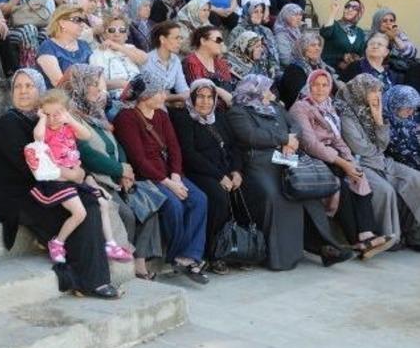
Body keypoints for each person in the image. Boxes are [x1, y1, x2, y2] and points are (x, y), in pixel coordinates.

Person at [0, 68, 119, 298]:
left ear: (40, 91)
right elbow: (32, 167)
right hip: (20, 193)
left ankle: (92, 275)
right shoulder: (8, 123)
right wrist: (74, 175)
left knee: (91, 200)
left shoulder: (51, 119)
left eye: (29, 86)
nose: (23, 91)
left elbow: (71, 151)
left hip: (50, 185)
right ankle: (88, 281)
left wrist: (85, 176)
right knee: (83, 208)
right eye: (18, 86)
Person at [227, 74, 353, 270]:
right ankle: (280, 258)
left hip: (285, 158)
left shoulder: (275, 107)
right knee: (275, 197)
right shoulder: (238, 111)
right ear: (255, 90)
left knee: (307, 192)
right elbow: (250, 135)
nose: (271, 92)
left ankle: (327, 247)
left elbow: (294, 124)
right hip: (259, 163)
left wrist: (291, 140)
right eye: (267, 88)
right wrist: (283, 138)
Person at [63, 66, 164, 279]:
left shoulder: (97, 113)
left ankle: (139, 262)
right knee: (126, 213)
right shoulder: (71, 117)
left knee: (149, 208)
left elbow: (116, 146)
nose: (99, 90)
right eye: (93, 84)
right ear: (80, 86)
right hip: (94, 180)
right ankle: (120, 264)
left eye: (100, 84)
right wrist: (119, 169)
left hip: (116, 178)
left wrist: (125, 171)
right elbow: (86, 154)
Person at [289, 69, 396, 258]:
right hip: (313, 158)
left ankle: (366, 233)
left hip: (334, 155)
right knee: (342, 186)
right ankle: (358, 240)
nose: (320, 89)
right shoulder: (301, 107)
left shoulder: (329, 106)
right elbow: (311, 144)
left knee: (359, 176)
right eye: (316, 85)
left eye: (325, 85)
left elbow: (337, 139)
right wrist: (343, 164)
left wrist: (350, 160)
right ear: (309, 85)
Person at [115, 72, 209, 284]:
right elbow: (139, 160)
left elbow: (174, 148)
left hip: (170, 174)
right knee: (173, 204)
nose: (164, 95)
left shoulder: (161, 115)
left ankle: (188, 255)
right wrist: (168, 183)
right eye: (159, 91)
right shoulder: (127, 118)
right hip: (147, 177)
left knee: (199, 199)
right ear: (146, 95)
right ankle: (178, 255)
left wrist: (175, 175)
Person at [31, 89, 131, 263]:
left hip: (74, 179)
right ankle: (57, 242)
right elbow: (38, 137)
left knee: (103, 203)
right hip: (56, 182)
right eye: (48, 114)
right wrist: (42, 118)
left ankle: (111, 244)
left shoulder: (68, 127)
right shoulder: (45, 130)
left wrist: (69, 119)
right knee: (79, 213)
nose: (53, 119)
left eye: (57, 114)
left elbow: (86, 135)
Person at [335, 74, 420, 246]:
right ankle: (391, 238)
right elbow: (359, 148)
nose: (377, 95)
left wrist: (378, 119)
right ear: (361, 91)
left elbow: (383, 143)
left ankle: (414, 232)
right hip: (361, 162)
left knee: (415, 178)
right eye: (372, 91)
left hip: (380, 160)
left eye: (378, 91)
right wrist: (378, 147)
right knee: (386, 190)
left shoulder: (372, 110)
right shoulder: (346, 113)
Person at [170, 79, 243, 274]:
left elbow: (234, 146)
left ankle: (237, 249)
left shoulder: (219, 116)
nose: (205, 102)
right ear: (192, 98)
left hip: (224, 170)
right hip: (200, 172)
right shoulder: (184, 118)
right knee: (218, 198)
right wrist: (220, 176)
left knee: (248, 191)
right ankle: (212, 253)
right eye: (200, 97)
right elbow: (190, 154)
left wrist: (236, 171)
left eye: (210, 97)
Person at [90, 15, 147, 100]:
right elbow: (96, 83)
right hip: (117, 99)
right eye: (112, 30)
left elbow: (143, 59)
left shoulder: (130, 48)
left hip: (140, 95)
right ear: (104, 35)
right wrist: (123, 84)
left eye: (122, 30)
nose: (117, 34)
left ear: (126, 35)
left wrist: (119, 47)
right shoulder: (97, 54)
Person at [37, 5, 92, 88]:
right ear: (61, 23)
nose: (82, 24)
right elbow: (59, 83)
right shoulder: (48, 46)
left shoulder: (84, 45)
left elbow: (96, 74)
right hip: (60, 98)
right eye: (77, 20)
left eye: (83, 20)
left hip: (87, 94)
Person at [279, 33, 339, 109]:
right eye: (313, 45)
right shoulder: (294, 69)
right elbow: (301, 97)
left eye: (319, 45)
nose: (318, 48)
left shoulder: (321, 66)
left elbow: (334, 89)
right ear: (303, 48)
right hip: (304, 110)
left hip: (325, 105)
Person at [182, 26, 234, 107]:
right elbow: (199, 89)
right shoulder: (191, 61)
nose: (222, 44)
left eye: (222, 41)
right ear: (203, 41)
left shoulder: (222, 63)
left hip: (224, 109)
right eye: (218, 40)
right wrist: (219, 91)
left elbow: (229, 91)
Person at [142, 21, 191, 105]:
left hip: (170, 105)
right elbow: (147, 94)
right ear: (162, 39)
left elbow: (183, 88)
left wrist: (180, 96)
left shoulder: (176, 60)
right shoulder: (146, 60)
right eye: (176, 38)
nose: (180, 42)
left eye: (180, 38)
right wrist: (177, 97)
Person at [370, 8, 419, 85]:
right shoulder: (370, 36)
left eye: (391, 20)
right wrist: (386, 38)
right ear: (377, 22)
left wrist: (395, 38)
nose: (388, 23)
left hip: (403, 69)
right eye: (384, 21)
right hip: (384, 71)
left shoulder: (399, 35)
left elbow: (412, 53)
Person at [321, 0, 366, 75]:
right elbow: (325, 32)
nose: (350, 9)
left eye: (354, 8)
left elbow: (361, 54)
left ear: (359, 13)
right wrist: (333, 12)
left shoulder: (360, 32)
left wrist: (353, 59)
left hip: (350, 73)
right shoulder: (334, 25)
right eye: (347, 6)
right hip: (330, 71)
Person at [229, 3, 278, 73]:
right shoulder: (238, 30)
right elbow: (233, 55)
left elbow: (274, 51)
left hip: (268, 70)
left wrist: (274, 68)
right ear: (248, 13)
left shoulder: (266, 31)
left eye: (261, 12)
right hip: (244, 70)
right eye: (256, 12)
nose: (259, 15)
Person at [384, 85, 420, 170]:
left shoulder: (406, 120)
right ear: (395, 105)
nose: (411, 112)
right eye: (408, 108)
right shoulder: (384, 126)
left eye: (413, 108)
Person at [273, 3, 305, 68]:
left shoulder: (295, 29)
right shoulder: (281, 33)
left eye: (300, 14)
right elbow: (285, 60)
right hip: (289, 68)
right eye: (295, 15)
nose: (299, 18)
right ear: (286, 16)